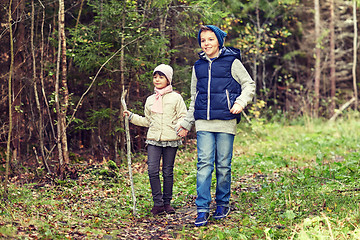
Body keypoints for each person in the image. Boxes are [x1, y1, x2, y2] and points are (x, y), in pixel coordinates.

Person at [177, 25, 256, 227]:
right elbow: (195, 97)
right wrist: (187, 123)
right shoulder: (198, 66)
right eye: (203, 40)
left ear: (219, 41)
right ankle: (202, 208)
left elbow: (249, 84)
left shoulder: (232, 62)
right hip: (203, 121)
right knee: (204, 164)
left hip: (226, 121)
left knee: (223, 165)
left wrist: (240, 102)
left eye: (210, 39)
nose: (206, 43)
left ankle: (222, 203)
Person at [124, 64, 187, 216]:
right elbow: (147, 121)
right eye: (155, 77)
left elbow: (183, 116)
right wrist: (132, 117)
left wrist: (179, 127)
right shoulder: (150, 100)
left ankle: (167, 203)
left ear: (168, 79)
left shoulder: (176, 98)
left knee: (167, 171)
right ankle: (157, 203)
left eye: (161, 77)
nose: (157, 80)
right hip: (153, 139)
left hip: (171, 139)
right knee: (152, 170)